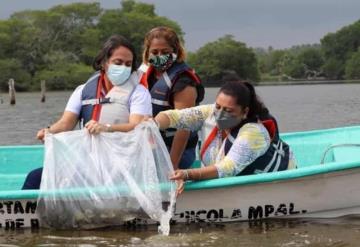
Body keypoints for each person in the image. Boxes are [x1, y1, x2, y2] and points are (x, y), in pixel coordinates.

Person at [22, 34, 152, 190]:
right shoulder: (83, 90)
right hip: (89, 162)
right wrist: (48, 131)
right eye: (118, 62)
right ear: (104, 62)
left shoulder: (139, 93)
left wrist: (107, 128)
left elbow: (138, 126)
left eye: (128, 64)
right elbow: (65, 123)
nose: (123, 67)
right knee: (35, 177)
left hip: (123, 164)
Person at [154, 81, 296, 195]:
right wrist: (154, 124)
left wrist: (186, 174)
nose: (219, 114)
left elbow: (227, 168)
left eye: (228, 111)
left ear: (244, 112)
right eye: (218, 106)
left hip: (274, 185)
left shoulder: (254, 132)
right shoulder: (211, 112)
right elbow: (176, 117)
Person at [139, 26, 204, 170]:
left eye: (165, 52)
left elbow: (184, 126)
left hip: (177, 150)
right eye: (154, 52)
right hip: (151, 145)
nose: (159, 55)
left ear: (175, 52)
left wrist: (172, 164)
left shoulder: (183, 81)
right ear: (147, 53)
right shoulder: (144, 75)